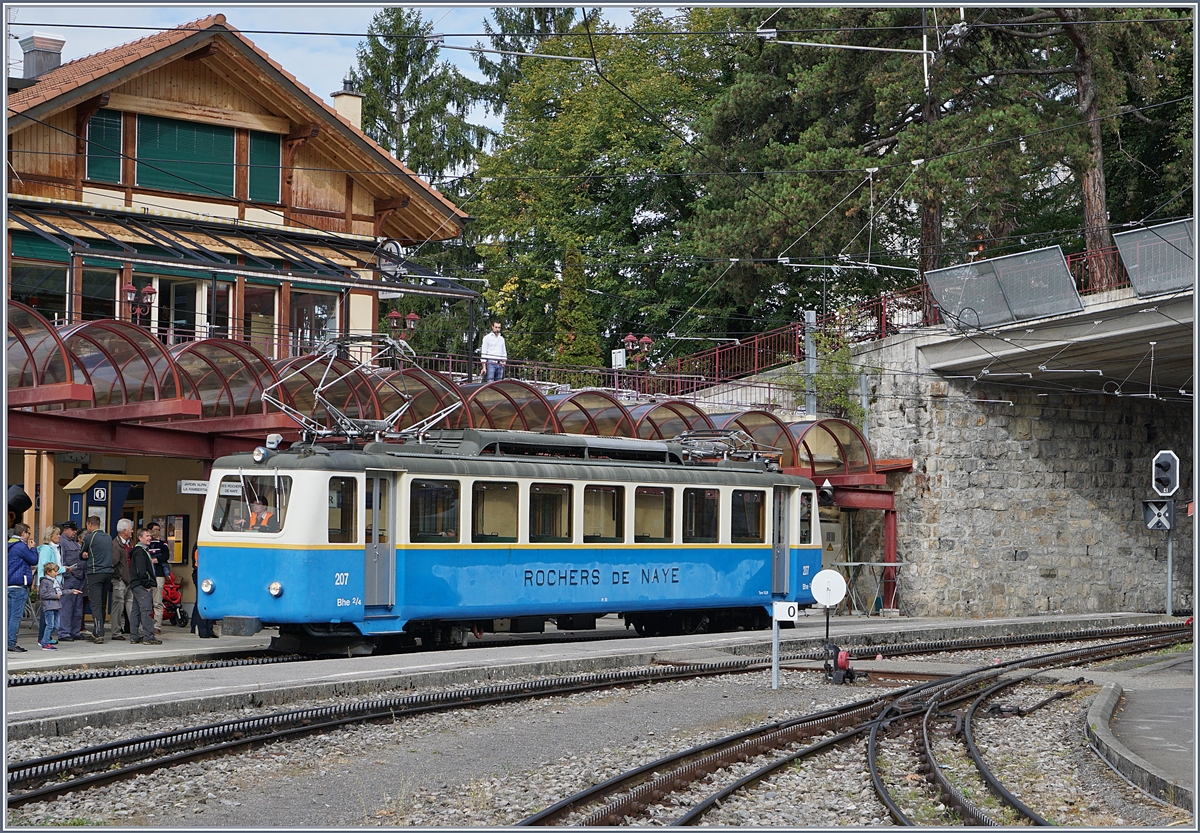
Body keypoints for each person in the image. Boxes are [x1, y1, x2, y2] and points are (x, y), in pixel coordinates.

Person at [80, 515, 115, 644]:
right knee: (103, 603)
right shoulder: (108, 537)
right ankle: (100, 629)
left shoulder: (90, 537)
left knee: (95, 603)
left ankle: (98, 632)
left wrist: (84, 555)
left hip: (95, 572)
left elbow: (81, 554)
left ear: (89, 524)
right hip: (108, 572)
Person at [7, 523, 39, 653]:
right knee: (15, 616)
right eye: (28, 533)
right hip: (18, 585)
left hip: (8, 584)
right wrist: (32, 549)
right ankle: (11, 643)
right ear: (23, 533)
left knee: (8, 616)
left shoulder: (8, 544)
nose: (29, 536)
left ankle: (6, 641)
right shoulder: (20, 546)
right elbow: (34, 560)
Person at [127, 528, 160, 645]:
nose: (149, 538)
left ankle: (134, 636)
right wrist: (146, 584)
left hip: (136, 584)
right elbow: (141, 570)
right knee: (146, 610)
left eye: (150, 536)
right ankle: (148, 636)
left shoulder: (137, 551)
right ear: (140, 538)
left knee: (135, 611)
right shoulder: (140, 552)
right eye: (147, 536)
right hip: (141, 585)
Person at [57, 521, 86, 641]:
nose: (74, 532)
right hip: (70, 577)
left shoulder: (74, 543)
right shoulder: (62, 542)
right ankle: (64, 632)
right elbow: (61, 560)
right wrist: (67, 575)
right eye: (72, 530)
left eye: (75, 530)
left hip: (79, 577)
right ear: (65, 530)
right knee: (67, 606)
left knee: (77, 606)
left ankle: (75, 631)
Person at [36, 525, 64, 644]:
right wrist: (64, 569)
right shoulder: (47, 549)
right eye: (57, 534)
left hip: (55, 582)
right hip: (48, 583)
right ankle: (43, 638)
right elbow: (45, 566)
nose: (59, 536)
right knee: (47, 612)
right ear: (50, 536)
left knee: (51, 611)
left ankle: (47, 637)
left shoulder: (56, 548)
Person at [109, 519, 135, 640]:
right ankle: (116, 632)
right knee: (118, 606)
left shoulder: (130, 543)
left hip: (129, 578)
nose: (132, 531)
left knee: (130, 604)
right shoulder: (115, 544)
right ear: (124, 531)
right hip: (120, 579)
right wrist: (119, 577)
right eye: (130, 529)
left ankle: (135, 630)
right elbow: (113, 563)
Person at [146, 521, 172, 634]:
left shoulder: (163, 544)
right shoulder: (145, 544)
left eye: (158, 529)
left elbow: (166, 556)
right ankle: (146, 624)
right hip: (146, 575)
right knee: (146, 601)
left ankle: (157, 625)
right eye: (155, 529)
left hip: (158, 574)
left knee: (157, 601)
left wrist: (156, 560)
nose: (157, 532)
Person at [190, 544, 217, 639]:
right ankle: (203, 630)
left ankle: (209, 629)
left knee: (209, 601)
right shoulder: (200, 547)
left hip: (207, 573)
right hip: (201, 573)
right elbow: (198, 563)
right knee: (202, 601)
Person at [38, 562, 63, 650]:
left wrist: (71, 591)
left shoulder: (54, 581)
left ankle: (45, 639)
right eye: (55, 571)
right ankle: (45, 642)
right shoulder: (45, 581)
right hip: (49, 606)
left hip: (56, 605)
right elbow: (43, 595)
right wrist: (56, 596)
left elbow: (61, 591)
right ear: (48, 572)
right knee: (50, 625)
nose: (56, 573)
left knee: (56, 625)